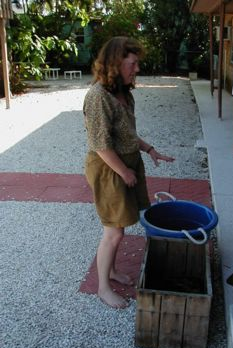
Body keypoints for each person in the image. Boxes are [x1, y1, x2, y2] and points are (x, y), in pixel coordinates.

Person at [83, 36, 174, 309]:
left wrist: (149, 149)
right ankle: (102, 288)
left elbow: (127, 135)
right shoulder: (98, 96)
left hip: (126, 163)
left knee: (118, 228)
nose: (137, 69)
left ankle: (110, 271)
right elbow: (101, 146)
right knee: (114, 231)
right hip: (109, 168)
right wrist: (124, 172)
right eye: (132, 64)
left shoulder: (124, 93)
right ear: (115, 63)